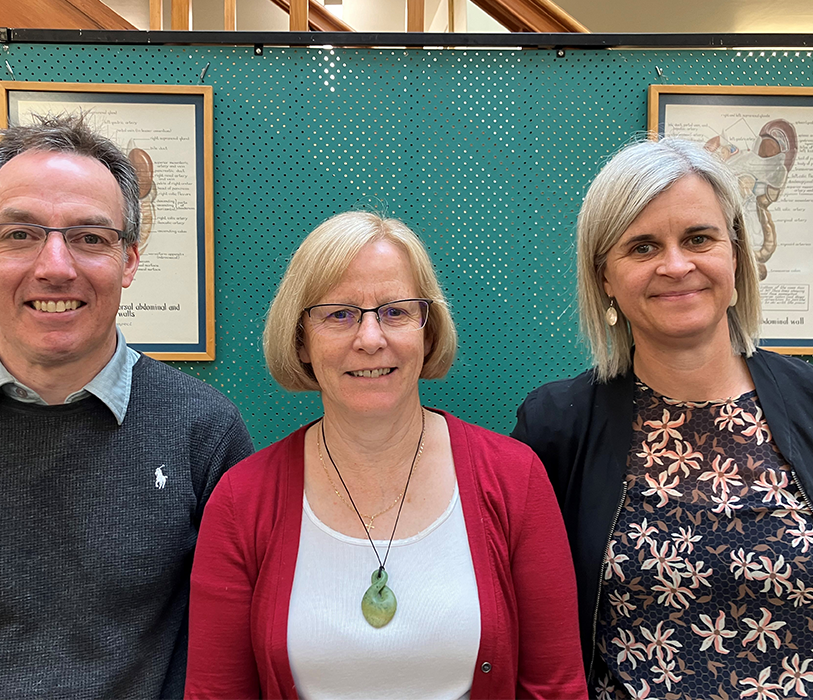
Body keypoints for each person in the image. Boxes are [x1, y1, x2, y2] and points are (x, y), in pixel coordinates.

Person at [0, 115, 253, 698]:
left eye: (89, 237)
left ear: (129, 261)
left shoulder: (203, 432)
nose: (54, 266)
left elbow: (228, 653)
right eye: (20, 234)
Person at [186, 211, 587, 699]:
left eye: (395, 311)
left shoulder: (514, 478)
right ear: (301, 340)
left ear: (428, 331)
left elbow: (556, 689)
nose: (371, 339)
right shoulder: (241, 501)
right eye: (339, 314)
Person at [512, 138, 813, 699]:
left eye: (699, 238)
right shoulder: (556, 428)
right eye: (642, 247)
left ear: (736, 255)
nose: (676, 265)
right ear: (604, 277)